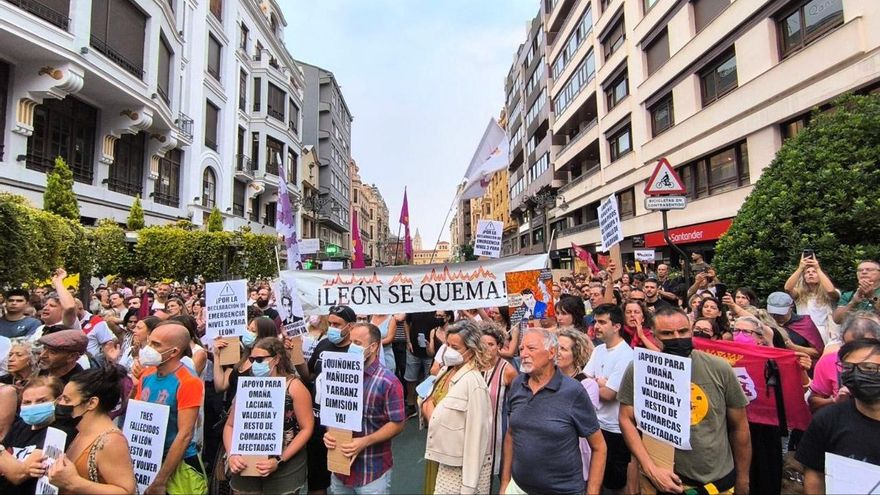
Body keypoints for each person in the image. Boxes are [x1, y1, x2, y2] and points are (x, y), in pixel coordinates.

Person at [618, 306, 751, 494]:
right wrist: (650, 469)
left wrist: (743, 479)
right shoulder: (640, 369)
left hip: (717, 482)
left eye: (682, 331)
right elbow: (625, 418)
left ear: (691, 330)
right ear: (654, 336)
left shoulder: (719, 369)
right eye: (667, 333)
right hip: (664, 481)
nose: (677, 338)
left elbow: (740, 426)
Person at [501, 327, 606, 494]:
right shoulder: (517, 384)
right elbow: (512, 434)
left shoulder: (574, 391)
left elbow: (599, 446)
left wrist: (592, 491)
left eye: (531, 348)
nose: (523, 354)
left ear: (551, 353)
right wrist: (505, 482)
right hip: (518, 488)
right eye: (521, 349)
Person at [324, 323, 405, 494]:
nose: (352, 347)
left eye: (358, 343)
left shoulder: (389, 382)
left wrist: (364, 442)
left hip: (371, 471)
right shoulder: (338, 374)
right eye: (351, 342)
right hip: (340, 469)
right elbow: (333, 412)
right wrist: (329, 433)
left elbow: (397, 424)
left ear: (373, 346)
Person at [224, 337, 313, 494]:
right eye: (252, 359)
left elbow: (307, 428)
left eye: (260, 359)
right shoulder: (248, 386)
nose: (255, 364)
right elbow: (230, 425)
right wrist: (232, 454)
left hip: (285, 467)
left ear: (276, 359)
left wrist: (279, 460)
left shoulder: (294, 387)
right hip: (247, 463)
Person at [796, 338, 880, 494]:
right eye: (848, 368)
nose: (857, 375)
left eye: (868, 368)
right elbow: (815, 475)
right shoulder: (827, 420)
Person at [133, 321, 207, 495]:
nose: (148, 348)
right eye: (150, 342)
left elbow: (185, 435)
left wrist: (161, 480)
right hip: (147, 460)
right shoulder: (146, 374)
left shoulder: (188, 383)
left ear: (174, 352)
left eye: (156, 345)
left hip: (178, 467)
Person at [422, 320, 492, 494]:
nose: (449, 350)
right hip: (441, 455)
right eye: (448, 345)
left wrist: (468, 487)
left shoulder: (474, 383)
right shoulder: (446, 370)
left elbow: (476, 438)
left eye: (456, 347)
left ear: (471, 350)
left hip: (459, 468)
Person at [46, 365, 137, 494]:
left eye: (66, 399)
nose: (60, 403)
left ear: (92, 403)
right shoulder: (80, 431)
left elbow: (126, 491)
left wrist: (74, 483)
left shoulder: (111, 441)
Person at [302, 304, 357, 495]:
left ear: (350, 326)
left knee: (344, 478)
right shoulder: (323, 344)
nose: (332, 327)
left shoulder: (357, 351)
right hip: (317, 423)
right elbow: (309, 374)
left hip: (341, 426)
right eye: (330, 323)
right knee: (317, 480)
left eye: (337, 324)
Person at [583, 303, 636, 494]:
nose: (596, 326)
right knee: (597, 477)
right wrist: (601, 382)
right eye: (595, 322)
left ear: (617, 326)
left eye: (602, 322)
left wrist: (595, 383)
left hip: (616, 429)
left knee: (616, 483)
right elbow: (582, 380)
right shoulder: (598, 350)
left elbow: (608, 395)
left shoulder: (627, 356)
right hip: (596, 425)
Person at [0, 376, 74, 495]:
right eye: (27, 402)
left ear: (58, 400)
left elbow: (18, 475)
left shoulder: (60, 431)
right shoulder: (21, 425)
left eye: (42, 401)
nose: (33, 406)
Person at [809, 312, 880, 412]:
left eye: (867, 346)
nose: (860, 353)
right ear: (842, 342)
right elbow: (813, 402)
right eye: (851, 347)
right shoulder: (829, 362)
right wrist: (835, 401)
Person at [557, 327, 600, 484]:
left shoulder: (587, 384)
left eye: (563, 349)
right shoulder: (544, 379)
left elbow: (582, 423)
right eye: (555, 347)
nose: (557, 352)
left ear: (576, 354)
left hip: (575, 456)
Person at [478, 323, 517, 481]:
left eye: (491, 345)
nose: (487, 348)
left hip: (498, 431)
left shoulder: (507, 370)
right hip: (474, 428)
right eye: (483, 344)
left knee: (502, 471)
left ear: (499, 346)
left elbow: (517, 400)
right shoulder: (471, 366)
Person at [785, 254, 840, 344]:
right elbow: (787, 288)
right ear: (804, 277)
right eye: (807, 272)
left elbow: (830, 291)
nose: (810, 273)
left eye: (814, 272)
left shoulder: (830, 293)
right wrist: (800, 268)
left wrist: (818, 268)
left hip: (826, 333)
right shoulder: (800, 295)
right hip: (805, 333)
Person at [404, 311, 443, 417]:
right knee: (410, 378)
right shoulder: (415, 306)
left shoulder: (437, 310)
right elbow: (406, 323)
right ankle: (411, 406)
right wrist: (408, 341)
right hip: (413, 350)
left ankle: (426, 408)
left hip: (431, 353)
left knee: (429, 382)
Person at [767, 291, 824, 359]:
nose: (777, 316)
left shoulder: (804, 323)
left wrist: (793, 347)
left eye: (781, 313)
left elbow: (818, 353)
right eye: (773, 313)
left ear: (791, 307)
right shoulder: (766, 323)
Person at [833, 259, 880, 324]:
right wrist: (853, 302)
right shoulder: (849, 295)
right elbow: (837, 320)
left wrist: (872, 298)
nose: (864, 272)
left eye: (869, 270)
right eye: (860, 270)